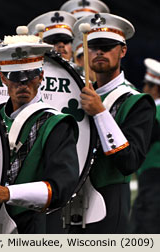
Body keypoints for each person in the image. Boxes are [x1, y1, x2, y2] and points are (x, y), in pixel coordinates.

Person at [0, 39, 80, 234]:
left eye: (30, 76)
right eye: (15, 76)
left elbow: (61, 188)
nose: (22, 84)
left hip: (32, 227)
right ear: (2, 78)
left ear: (41, 76)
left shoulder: (57, 124)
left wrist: (8, 193)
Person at [70, 13, 156, 233]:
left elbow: (129, 162)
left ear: (123, 51)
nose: (100, 52)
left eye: (108, 46)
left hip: (109, 205)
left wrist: (100, 113)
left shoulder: (137, 101)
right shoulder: (75, 95)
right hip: (69, 204)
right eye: (94, 46)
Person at [130, 58, 160, 233]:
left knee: (147, 224)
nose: (144, 90)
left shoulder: (154, 114)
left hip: (153, 176)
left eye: (146, 86)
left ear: (154, 88)